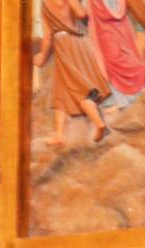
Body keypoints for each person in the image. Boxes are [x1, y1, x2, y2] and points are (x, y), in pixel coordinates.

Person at [35, 0, 112, 146]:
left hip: (64, 45)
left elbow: (47, 35)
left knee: (77, 86)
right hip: (76, 42)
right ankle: (59, 134)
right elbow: (81, 13)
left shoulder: (44, 4)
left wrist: (42, 57)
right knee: (62, 88)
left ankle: (98, 123)